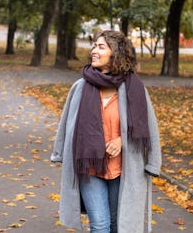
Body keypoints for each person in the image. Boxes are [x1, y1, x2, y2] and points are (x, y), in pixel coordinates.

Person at [51, 30, 161, 233]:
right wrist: (59, 153)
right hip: (89, 167)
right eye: (94, 46)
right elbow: (67, 123)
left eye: (101, 47)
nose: (94, 50)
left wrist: (122, 141)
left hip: (122, 168)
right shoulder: (80, 87)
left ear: (116, 54)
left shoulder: (134, 89)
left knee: (117, 225)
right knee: (100, 225)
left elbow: (148, 128)